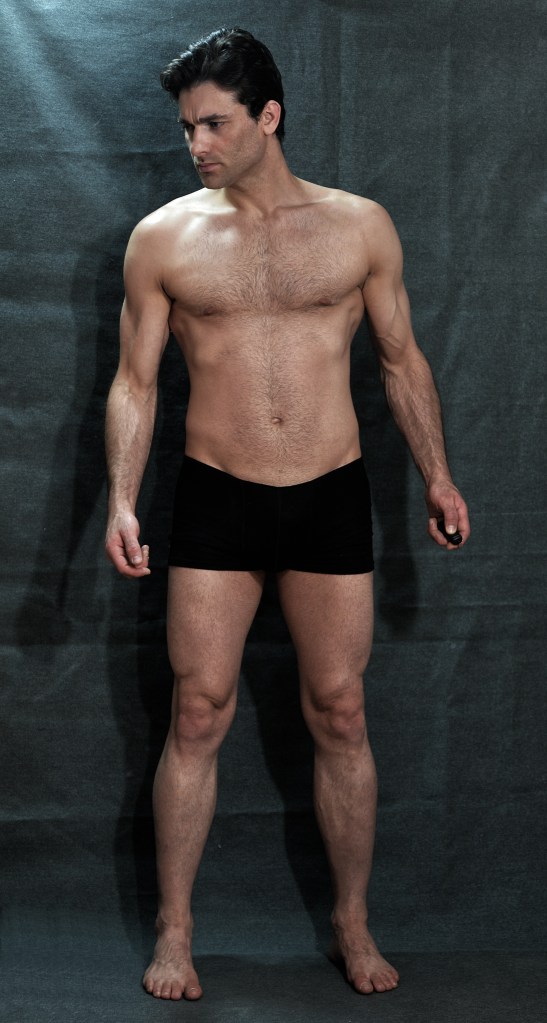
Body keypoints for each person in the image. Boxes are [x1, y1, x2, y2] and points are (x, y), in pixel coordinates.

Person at [105, 26, 470, 1002]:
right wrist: (122, 500)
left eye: (214, 124)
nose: (196, 145)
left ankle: (352, 922)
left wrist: (437, 476)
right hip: (216, 493)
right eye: (187, 128)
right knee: (196, 711)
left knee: (340, 711)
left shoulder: (359, 228)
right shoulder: (163, 238)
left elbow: (399, 359)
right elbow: (135, 381)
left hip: (328, 490)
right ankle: (176, 930)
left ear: (268, 116)